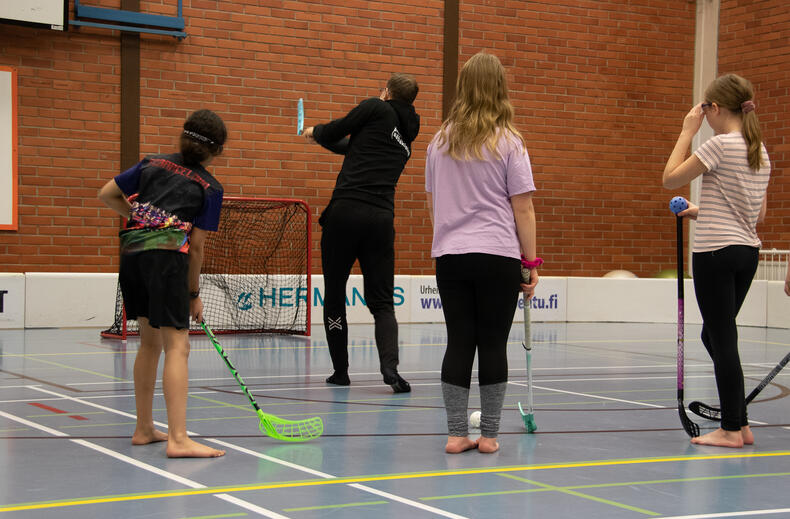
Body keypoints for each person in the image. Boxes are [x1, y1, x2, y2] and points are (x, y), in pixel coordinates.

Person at [425, 52, 538, 454]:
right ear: (499, 89)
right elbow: (522, 207)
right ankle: (489, 436)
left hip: (452, 256)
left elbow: (434, 203)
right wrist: (530, 262)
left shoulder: (438, 141)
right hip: (497, 256)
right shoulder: (510, 141)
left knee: (458, 342)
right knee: (492, 344)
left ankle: (456, 434)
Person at [98, 109, 228, 458]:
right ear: (216, 152)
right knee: (178, 347)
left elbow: (107, 194)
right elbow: (196, 246)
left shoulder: (151, 164)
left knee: (149, 344)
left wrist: (143, 217)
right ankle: (179, 438)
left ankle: (143, 428)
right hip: (168, 262)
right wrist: (194, 294)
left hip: (133, 257)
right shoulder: (210, 188)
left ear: (182, 137)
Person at [663, 74, 770, 448]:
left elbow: (670, 178)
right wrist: (700, 211)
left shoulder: (720, 145)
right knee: (716, 334)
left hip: (715, 254)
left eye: (704, 108)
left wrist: (686, 131)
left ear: (716, 108)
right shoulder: (758, 149)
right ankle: (739, 423)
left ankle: (730, 430)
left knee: (722, 339)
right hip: (746, 253)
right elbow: (755, 215)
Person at [302, 74, 420, 392]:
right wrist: (324, 138)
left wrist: (316, 132)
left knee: (336, 292)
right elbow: (351, 147)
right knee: (382, 302)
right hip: (381, 221)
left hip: (346, 213)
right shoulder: (406, 140)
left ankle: (341, 371)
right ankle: (390, 370)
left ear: (386, 92)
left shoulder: (374, 107)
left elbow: (340, 129)